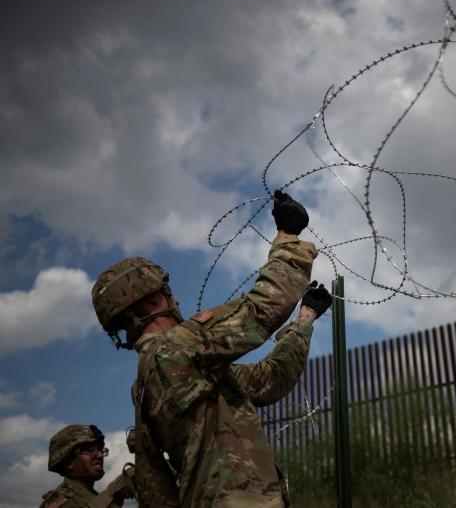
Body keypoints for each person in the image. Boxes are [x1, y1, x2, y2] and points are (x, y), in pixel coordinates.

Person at [91, 191, 332, 507]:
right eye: (169, 293)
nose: (177, 301)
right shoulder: (174, 350)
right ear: (153, 299)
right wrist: (287, 238)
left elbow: (268, 380)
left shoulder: (159, 376)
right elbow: (261, 311)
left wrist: (304, 319)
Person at [40, 424, 135, 508]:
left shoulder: (89, 497)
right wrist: (115, 491)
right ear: (68, 462)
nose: (100, 455)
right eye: (91, 449)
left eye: (100, 449)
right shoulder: (61, 502)